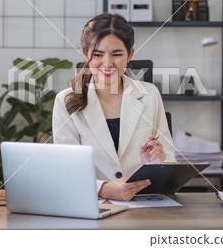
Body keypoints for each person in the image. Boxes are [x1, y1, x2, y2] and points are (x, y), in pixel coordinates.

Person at [52, 13, 175, 201]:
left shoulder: (150, 95)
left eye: (117, 54)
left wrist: (157, 163)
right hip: (92, 204)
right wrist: (104, 189)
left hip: (144, 205)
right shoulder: (65, 100)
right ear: (86, 55)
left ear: (130, 54)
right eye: (98, 55)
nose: (107, 64)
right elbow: (65, 171)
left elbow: (169, 163)